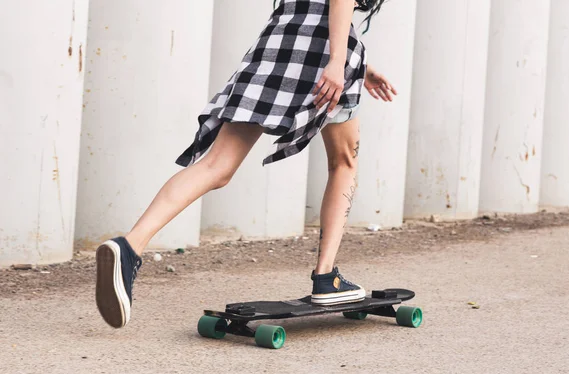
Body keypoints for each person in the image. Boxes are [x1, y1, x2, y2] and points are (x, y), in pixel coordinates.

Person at [95, 0, 397, 328]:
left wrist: (362, 66)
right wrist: (339, 61)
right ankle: (326, 278)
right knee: (344, 163)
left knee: (216, 167)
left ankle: (130, 245)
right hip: (323, 56)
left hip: (278, 43)